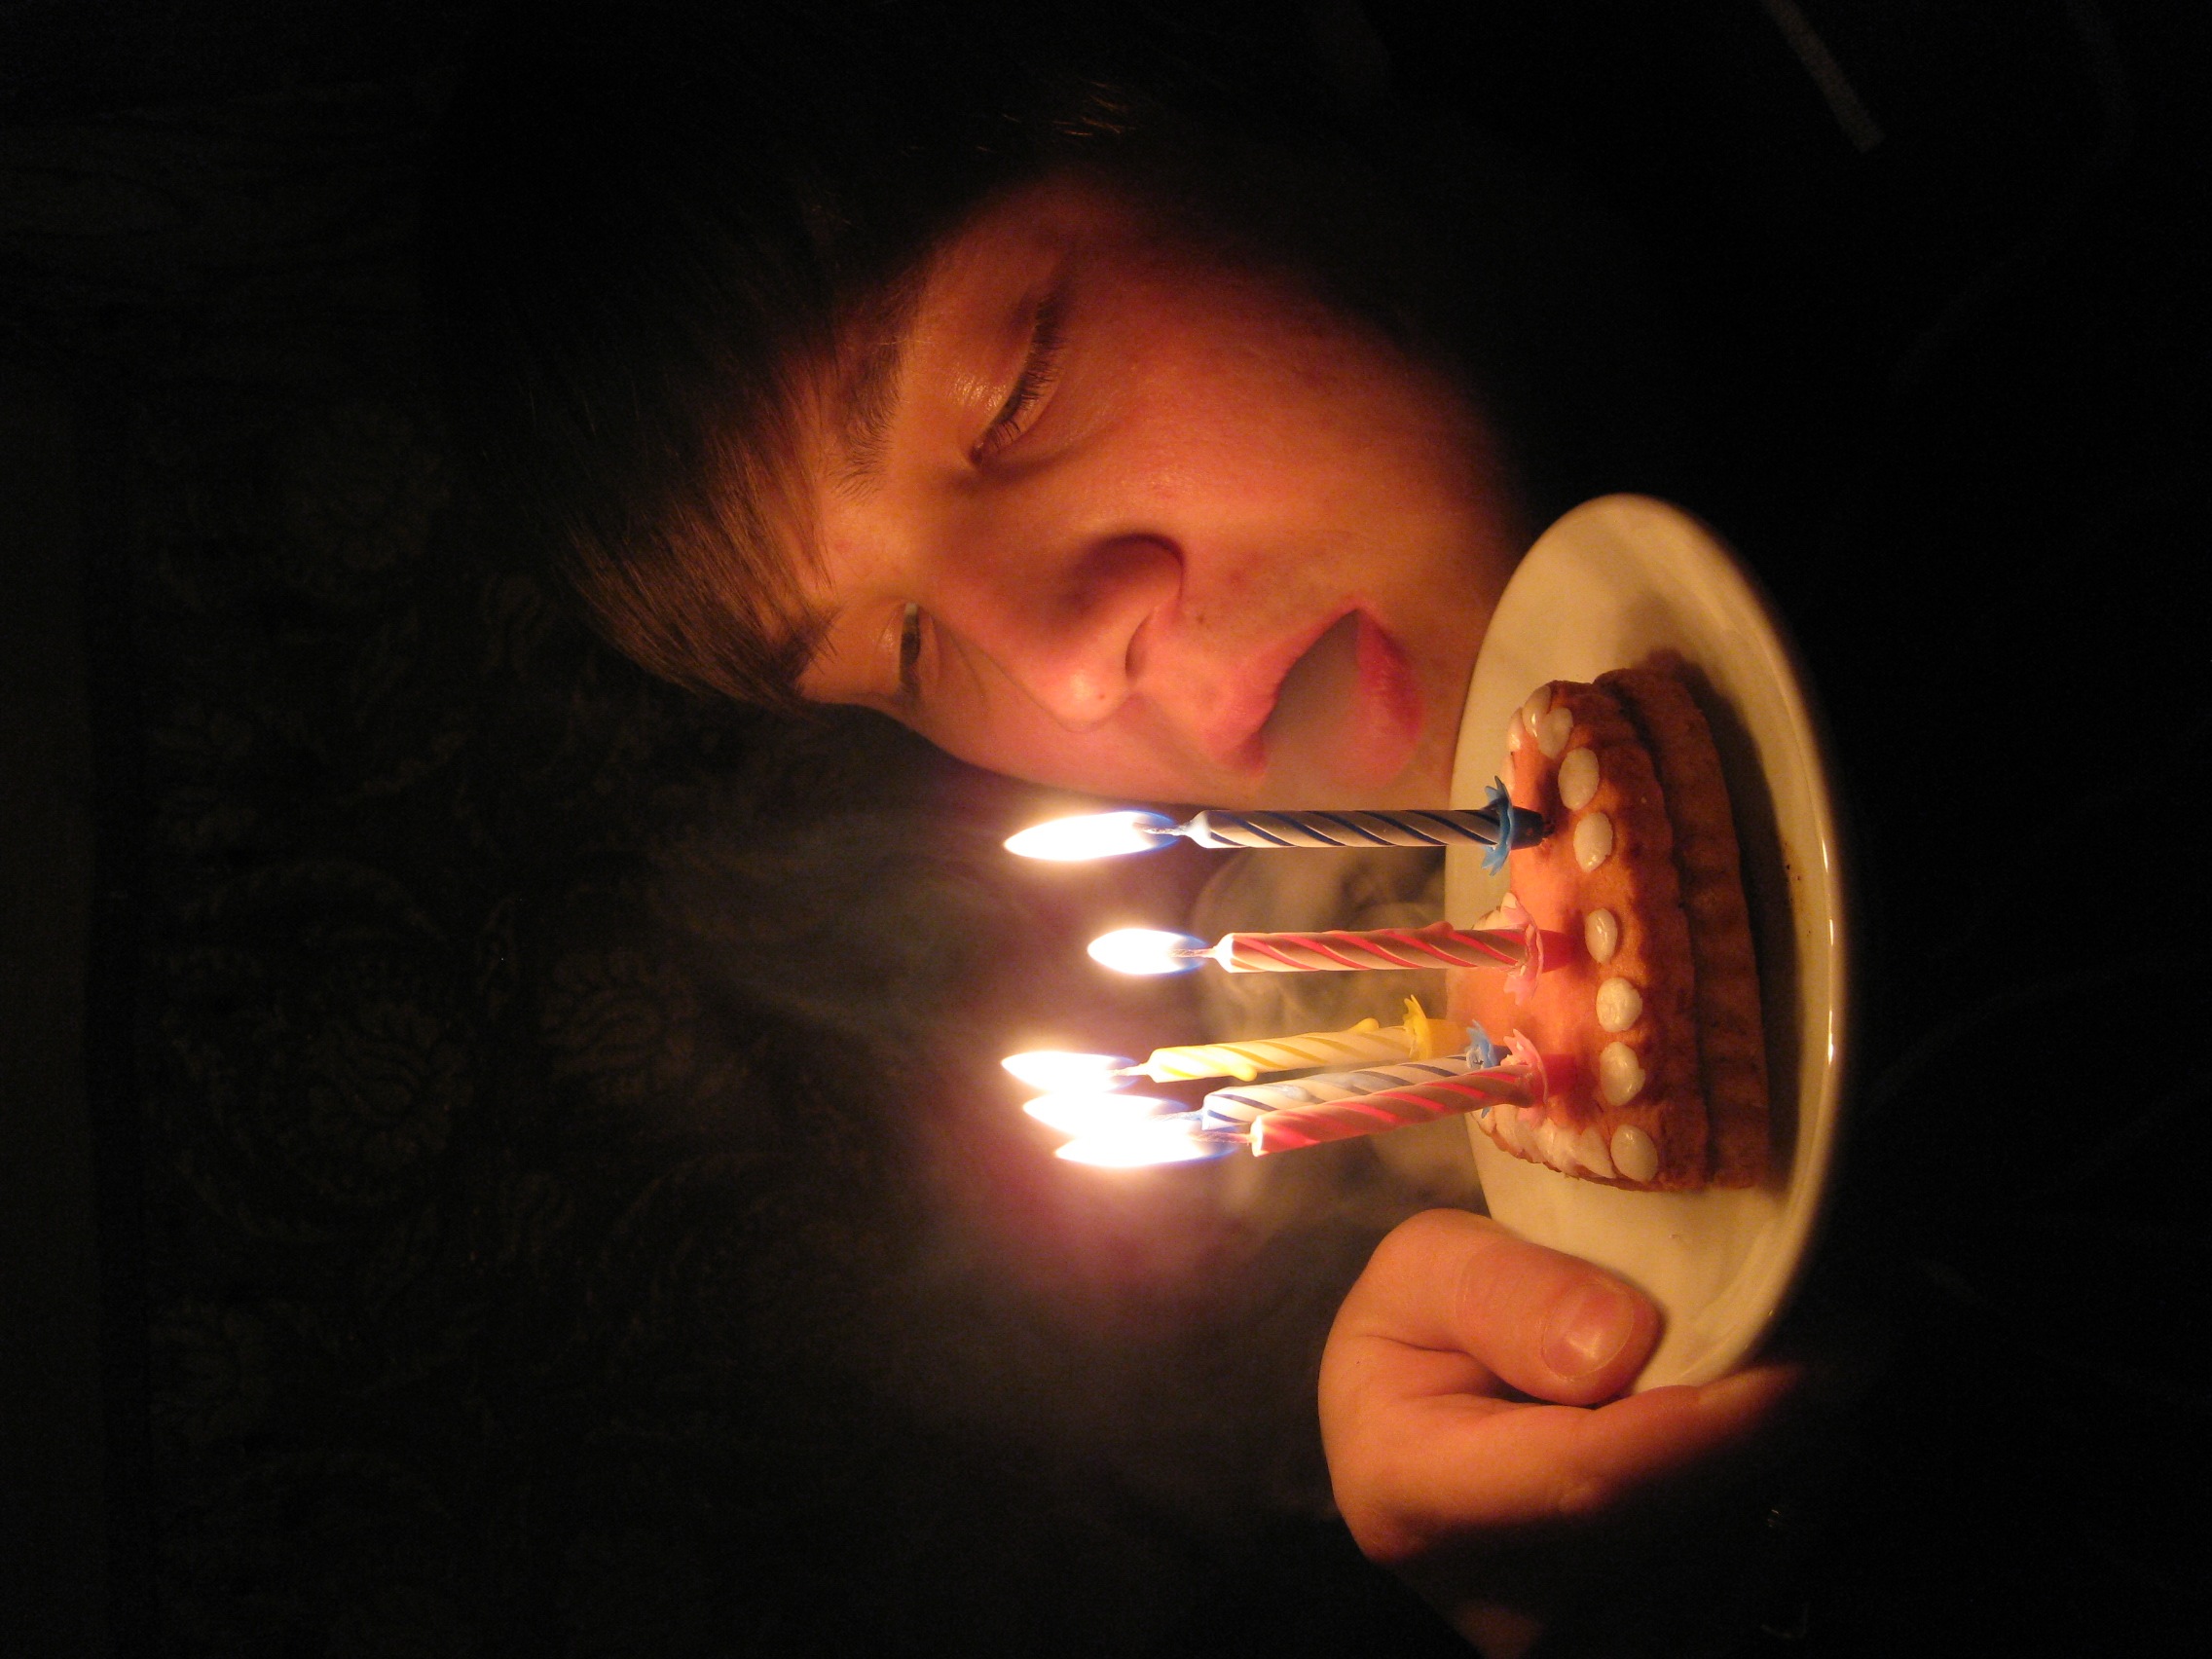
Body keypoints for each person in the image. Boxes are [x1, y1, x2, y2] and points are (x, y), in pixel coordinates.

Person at [428, 4, 1801, 1651]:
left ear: (1235, 69)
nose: (1065, 668)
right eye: (910, 656)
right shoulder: (1368, 1092)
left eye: (1013, 394)